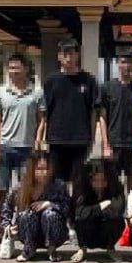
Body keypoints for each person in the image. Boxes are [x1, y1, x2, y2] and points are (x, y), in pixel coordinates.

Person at [0, 53, 43, 259]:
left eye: (17, 67)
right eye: (10, 67)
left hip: (27, 149)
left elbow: (42, 120)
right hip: (5, 147)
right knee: (2, 190)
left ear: (26, 69)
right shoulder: (0, 92)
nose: (13, 71)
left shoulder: (36, 92)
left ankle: (21, 228)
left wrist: (38, 140)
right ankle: (1, 229)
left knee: (23, 191)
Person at [39, 39, 99, 187]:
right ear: (59, 56)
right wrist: (40, 137)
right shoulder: (51, 81)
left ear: (78, 55)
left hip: (80, 140)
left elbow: (93, 112)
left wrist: (92, 138)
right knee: (56, 182)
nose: (69, 58)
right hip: (56, 139)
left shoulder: (89, 80)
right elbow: (44, 113)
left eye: (72, 54)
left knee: (79, 182)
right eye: (65, 54)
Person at [0, 150, 70, 262]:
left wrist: (50, 204)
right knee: (28, 214)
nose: (44, 173)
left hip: (54, 233)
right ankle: (29, 249)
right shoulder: (22, 186)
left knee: (50, 213)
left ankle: (52, 250)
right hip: (28, 232)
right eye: (39, 169)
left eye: (46, 169)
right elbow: (7, 205)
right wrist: (7, 225)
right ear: (32, 169)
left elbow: (68, 208)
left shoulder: (59, 185)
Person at [98, 51, 132, 191]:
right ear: (117, 64)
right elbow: (102, 117)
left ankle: (131, 204)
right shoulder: (107, 88)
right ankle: (115, 204)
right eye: (122, 62)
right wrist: (105, 145)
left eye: (129, 62)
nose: (126, 65)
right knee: (111, 180)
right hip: (113, 142)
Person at [71, 158, 125, 263]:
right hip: (88, 231)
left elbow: (118, 209)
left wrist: (93, 211)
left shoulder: (115, 188)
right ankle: (82, 248)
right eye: (95, 180)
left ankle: (110, 247)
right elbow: (79, 213)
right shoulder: (82, 189)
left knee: (118, 220)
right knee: (80, 219)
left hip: (105, 229)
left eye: (103, 180)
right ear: (90, 180)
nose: (99, 184)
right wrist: (100, 207)